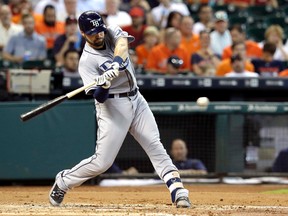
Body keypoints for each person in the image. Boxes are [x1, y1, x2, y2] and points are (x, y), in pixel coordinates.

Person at [49, 10, 191, 208]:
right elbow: (98, 97)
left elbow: (123, 45)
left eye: (99, 31)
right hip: (112, 107)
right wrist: (104, 84)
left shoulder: (110, 31)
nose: (98, 35)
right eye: (92, 33)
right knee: (102, 162)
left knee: (154, 143)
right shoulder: (86, 62)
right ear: (83, 34)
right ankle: (64, 181)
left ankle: (178, 191)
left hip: (136, 98)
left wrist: (115, 63)